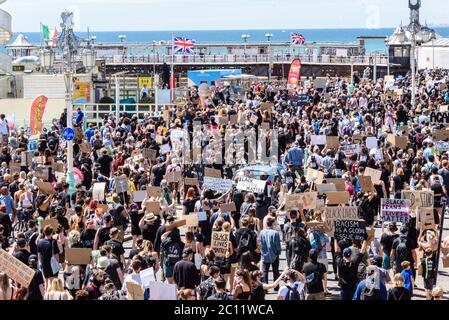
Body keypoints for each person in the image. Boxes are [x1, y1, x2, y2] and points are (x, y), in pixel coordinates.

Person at [259, 217, 281, 286]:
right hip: (274, 254)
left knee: (265, 271)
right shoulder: (275, 233)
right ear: (272, 224)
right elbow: (278, 245)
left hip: (265, 254)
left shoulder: (262, 232)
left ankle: (265, 286)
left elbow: (260, 242)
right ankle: (276, 286)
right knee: (275, 271)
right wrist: (278, 252)